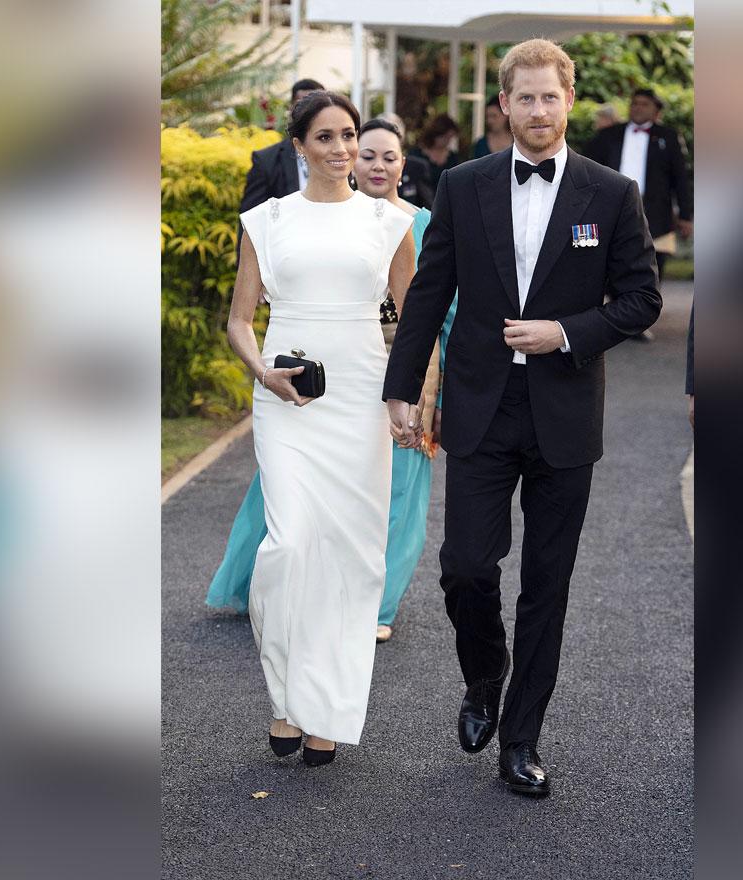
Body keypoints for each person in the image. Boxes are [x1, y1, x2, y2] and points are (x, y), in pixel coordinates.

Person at [382, 39, 662, 797]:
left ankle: (522, 738)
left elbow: (642, 299)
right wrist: (400, 389)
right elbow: (429, 293)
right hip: (480, 406)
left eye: (551, 96)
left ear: (569, 100)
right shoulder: (466, 185)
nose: (538, 111)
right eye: (525, 97)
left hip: (566, 412)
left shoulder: (612, 195)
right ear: (503, 104)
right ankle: (483, 677)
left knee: (548, 580)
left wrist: (566, 333)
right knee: (467, 567)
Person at [206, 117, 458, 644]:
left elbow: (432, 316)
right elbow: (243, 315)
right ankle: (286, 595)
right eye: (366, 152)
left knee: (393, 497)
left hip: (390, 374)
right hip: (305, 381)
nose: (373, 163)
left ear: (403, 165)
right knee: (289, 508)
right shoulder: (284, 221)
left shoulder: (416, 225)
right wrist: (265, 368)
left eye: (388, 156)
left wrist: (425, 393)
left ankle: (372, 606)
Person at [228, 91, 417, 767]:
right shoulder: (268, 220)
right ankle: (285, 697)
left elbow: (411, 319)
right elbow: (240, 319)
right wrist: (261, 372)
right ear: (299, 146)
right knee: (288, 547)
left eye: (351, 136)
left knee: (348, 556)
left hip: (361, 399)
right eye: (328, 138)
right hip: (287, 399)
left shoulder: (389, 223)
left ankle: (324, 712)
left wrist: (410, 399)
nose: (343, 150)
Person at [584, 88, 693, 281]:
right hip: (613, 205)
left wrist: (685, 215)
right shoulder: (610, 135)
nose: (638, 108)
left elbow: (680, 177)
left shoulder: (668, 137)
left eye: (644, 104)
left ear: (656, 111)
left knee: (655, 261)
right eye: (634, 103)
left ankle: (649, 303)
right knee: (613, 256)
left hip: (656, 209)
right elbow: (587, 167)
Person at [237, 78, 326, 214]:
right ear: (291, 109)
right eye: (302, 105)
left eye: (318, 107)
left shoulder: (342, 157)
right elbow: (250, 220)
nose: (310, 113)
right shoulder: (266, 161)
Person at [376, 112, 436, 209]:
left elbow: (428, 206)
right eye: (368, 157)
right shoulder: (364, 167)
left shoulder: (416, 168)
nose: (379, 167)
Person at [409, 113, 461, 191]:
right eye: (445, 137)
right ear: (436, 134)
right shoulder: (416, 155)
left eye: (450, 138)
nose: (447, 141)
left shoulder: (452, 157)